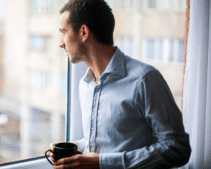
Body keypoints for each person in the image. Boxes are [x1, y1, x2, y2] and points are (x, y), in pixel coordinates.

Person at [48, 0, 191, 168]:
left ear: (84, 32)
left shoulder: (145, 80)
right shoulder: (85, 85)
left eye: (63, 33)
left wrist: (101, 163)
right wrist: (75, 149)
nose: (61, 43)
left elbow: (176, 149)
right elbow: (107, 141)